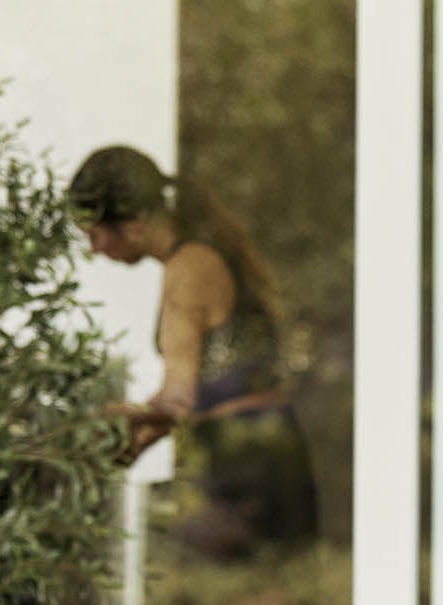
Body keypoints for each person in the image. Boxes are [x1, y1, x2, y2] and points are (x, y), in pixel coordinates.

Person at [68, 145, 317, 561]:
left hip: (244, 466)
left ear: (134, 225)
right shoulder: (204, 254)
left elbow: (177, 400)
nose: (93, 249)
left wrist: (110, 421)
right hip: (264, 451)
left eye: (95, 233)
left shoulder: (187, 271)